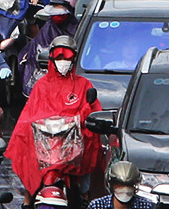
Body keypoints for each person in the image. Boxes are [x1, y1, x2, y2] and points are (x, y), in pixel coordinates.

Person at [7, 38, 101, 196]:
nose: (63, 62)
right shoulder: (41, 85)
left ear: (74, 59)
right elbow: (29, 114)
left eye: (67, 58)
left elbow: (93, 112)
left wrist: (85, 119)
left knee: (91, 147)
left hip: (74, 145)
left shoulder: (84, 85)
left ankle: (84, 196)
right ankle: (28, 200)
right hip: (46, 144)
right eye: (59, 57)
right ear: (51, 59)